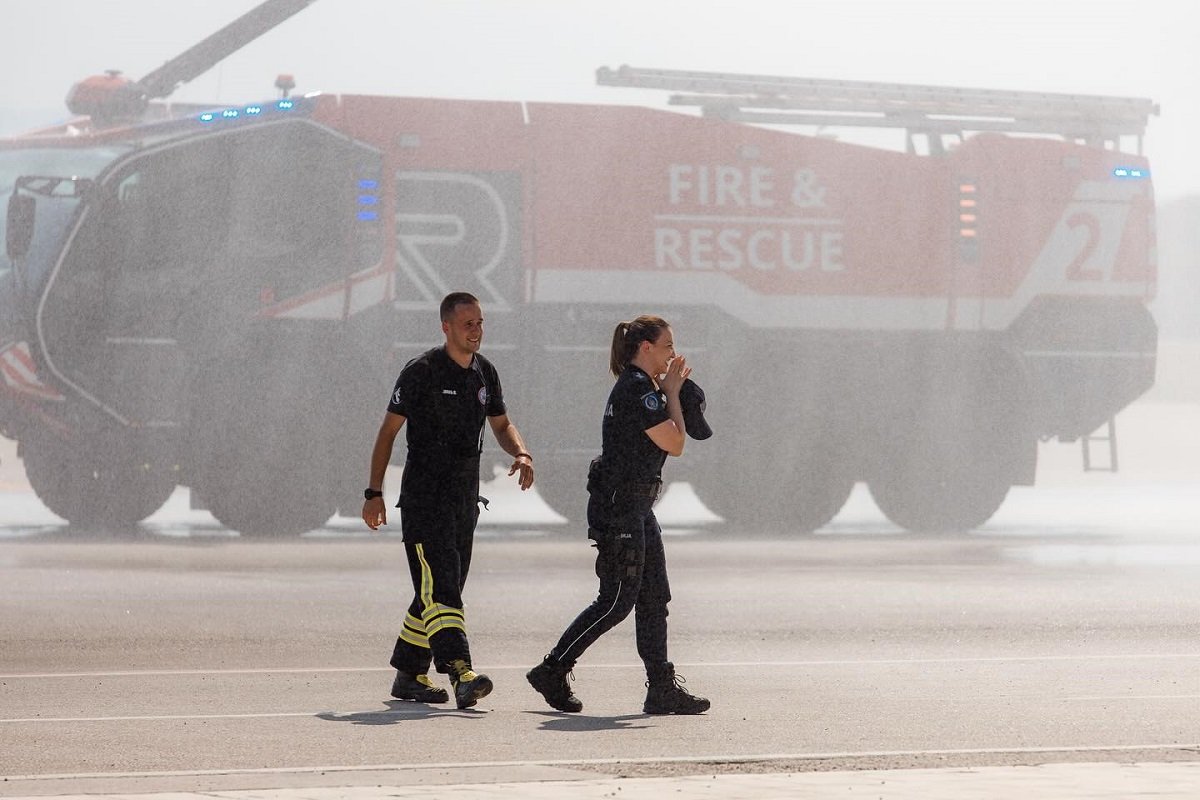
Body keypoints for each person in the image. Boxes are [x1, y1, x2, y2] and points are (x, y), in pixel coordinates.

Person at [526, 315, 710, 715]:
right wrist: (674, 393)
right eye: (667, 346)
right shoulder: (638, 391)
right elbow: (675, 443)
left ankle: (661, 688)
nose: (673, 355)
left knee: (654, 597)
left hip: (637, 507)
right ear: (646, 348)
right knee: (616, 601)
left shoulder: (646, 387)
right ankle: (553, 668)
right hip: (620, 507)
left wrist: (670, 390)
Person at [362, 292, 534, 709]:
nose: (476, 331)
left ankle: (408, 674)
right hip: (424, 501)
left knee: (439, 590)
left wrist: (521, 452)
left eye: (480, 323)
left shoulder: (484, 373)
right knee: (442, 592)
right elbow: (387, 433)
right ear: (446, 327)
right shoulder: (421, 371)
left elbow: (502, 422)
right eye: (467, 324)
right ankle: (461, 672)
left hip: (463, 502)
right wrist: (374, 493)